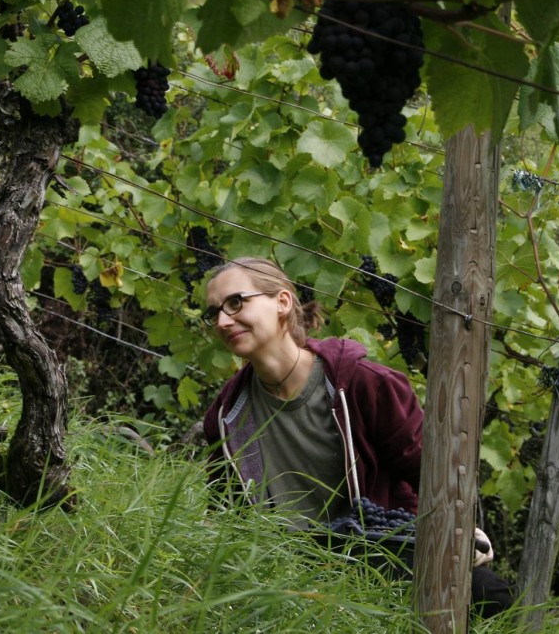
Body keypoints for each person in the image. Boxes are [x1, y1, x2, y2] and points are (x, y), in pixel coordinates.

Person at [199, 256, 512, 615]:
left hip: (376, 551)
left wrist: (459, 532)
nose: (223, 321)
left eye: (236, 302)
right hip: (285, 570)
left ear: (282, 302)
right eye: (214, 313)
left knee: (490, 594)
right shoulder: (226, 415)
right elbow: (228, 515)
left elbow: (432, 475)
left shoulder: (365, 385)